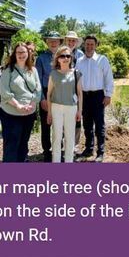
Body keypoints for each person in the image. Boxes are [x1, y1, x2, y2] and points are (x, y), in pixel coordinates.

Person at [0, 43, 41, 162]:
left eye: (24, 52)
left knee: (23, 143)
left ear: (28, 54)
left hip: (28, 113)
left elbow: (38, 90)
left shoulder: (33, 70)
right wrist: (18, 105)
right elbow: (4, 91)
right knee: (12, 145)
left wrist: (33, 104)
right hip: (11, 113)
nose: (21, 55)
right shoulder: (8, 70)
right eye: (19, 52)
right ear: (15, 54)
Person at [76, 35, 114, 162]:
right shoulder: (79, 61)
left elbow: (108, 78)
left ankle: (100, 152)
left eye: (92, 44)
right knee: (87, 125)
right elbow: (76, 80)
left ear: (96, 45)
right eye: (87, 44)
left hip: (98, 96)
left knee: (99, 125)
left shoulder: (102, 60)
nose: (89, 46)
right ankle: (88, 149)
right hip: (84, 96)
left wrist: (108, 94)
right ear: (84, 45)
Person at [47, 46, 82, 163]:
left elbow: (80, 94)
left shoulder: (76, 73)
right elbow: (49, 94)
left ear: (71, 58)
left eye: (68, 56)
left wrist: (79, 111)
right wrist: (49, 113)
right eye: (63, 56)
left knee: (70, 137)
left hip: (71, 108)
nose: (66, 58)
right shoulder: (53, 74)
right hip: (56, 108)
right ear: (58, 59)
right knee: (56, 137)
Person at [36, 31, 62, 161]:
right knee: (46, 125)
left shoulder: (64, 57)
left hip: (61, 94)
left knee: (59, 124)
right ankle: (46, 150)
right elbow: (38, 81)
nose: (53, 43)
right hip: (46, 93)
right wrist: (42, 98)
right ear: (47, 42)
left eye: (56, 41)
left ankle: (59, 149)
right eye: (51, 41)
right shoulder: (41, 58)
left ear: (59, 43)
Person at [65, 31, 84, 152]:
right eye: (69, 40)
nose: (71, 42)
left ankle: (74, 144)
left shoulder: (81, 55)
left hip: (77, 89)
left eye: (73, 40)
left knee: (77, 116)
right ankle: (63, 144)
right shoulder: (61, 53)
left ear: (76, 42)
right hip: (64, 88)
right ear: (66, 41)